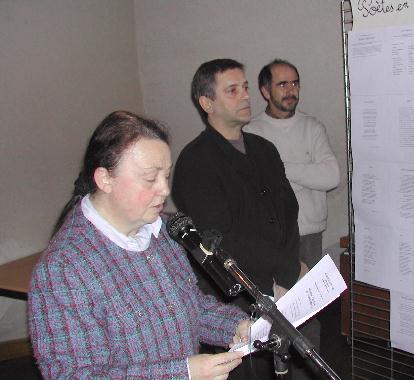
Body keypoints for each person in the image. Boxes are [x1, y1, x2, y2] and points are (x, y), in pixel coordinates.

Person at [28, 110, 250, 379]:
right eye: (149, 179)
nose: (165, 191)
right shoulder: (64, 268)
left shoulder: (163, 233)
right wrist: (183, 373)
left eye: (165, 176)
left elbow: (188, 306)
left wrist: (235, 326)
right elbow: (74, 375)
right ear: (105, 179)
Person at [171, 59, 302, 379]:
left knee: (295, 364)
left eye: (245, 88)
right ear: (207, 103)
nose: (245, 96)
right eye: (232, 90)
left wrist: (288, 272)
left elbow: (289, 211)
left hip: (282, 284)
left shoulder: (264, 149)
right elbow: (222, 237)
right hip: (237, 295)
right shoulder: (195, 161)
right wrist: (276, 275)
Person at [244, 59, 340, 379]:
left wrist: (282, 170)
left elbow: (331, 175)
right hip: (269, 238)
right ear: (264, 90)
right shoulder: (252, 132)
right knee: (274, 312)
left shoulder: (312, 127)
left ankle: (309, 373)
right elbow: (251, 185)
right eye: (283, 84)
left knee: (310, 314)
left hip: (308, 235)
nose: (291, 90)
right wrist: (301, 172)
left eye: (295, 83)